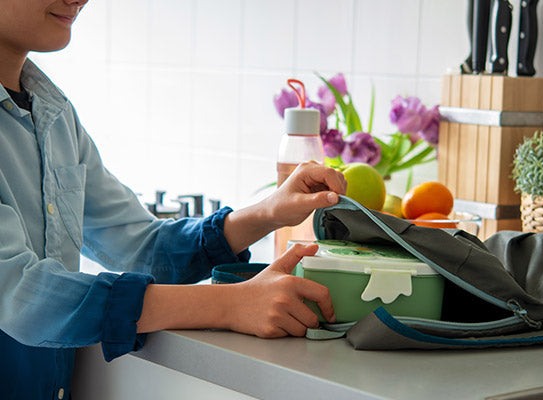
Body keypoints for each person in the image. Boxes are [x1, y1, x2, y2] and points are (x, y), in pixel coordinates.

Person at [0, 0, 346, 398]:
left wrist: (268, 212)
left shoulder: (54, 114)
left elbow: (139, 247)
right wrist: (229, 304)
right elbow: (24, 297)